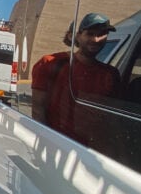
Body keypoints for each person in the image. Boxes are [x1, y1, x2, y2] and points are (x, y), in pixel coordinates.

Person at [30, 13, 120, 147]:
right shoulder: (51, 63)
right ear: (77, 36)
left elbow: (113, 121)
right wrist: (46, 144)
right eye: (90, 34)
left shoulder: (110, 74)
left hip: (94, 153)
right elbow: (38, 109)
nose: (96, 39)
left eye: (102, 34)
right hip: (58, 146)